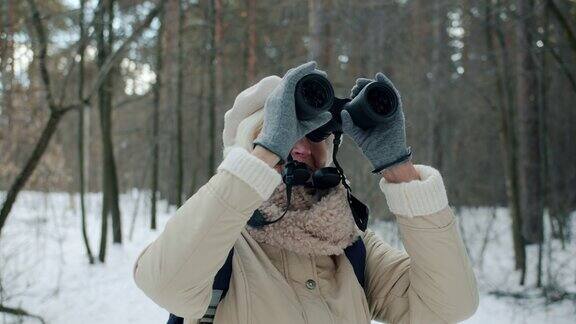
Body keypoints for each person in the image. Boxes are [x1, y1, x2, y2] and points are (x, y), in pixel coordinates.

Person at [133, 61, 479, 323]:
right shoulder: (220, 242)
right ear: (246, 148)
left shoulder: (351, 246)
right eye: (282, 131)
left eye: (313, 134)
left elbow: (448, 306)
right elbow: (165, 284)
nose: (299, 146)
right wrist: (267, 153)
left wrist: (398, 169)